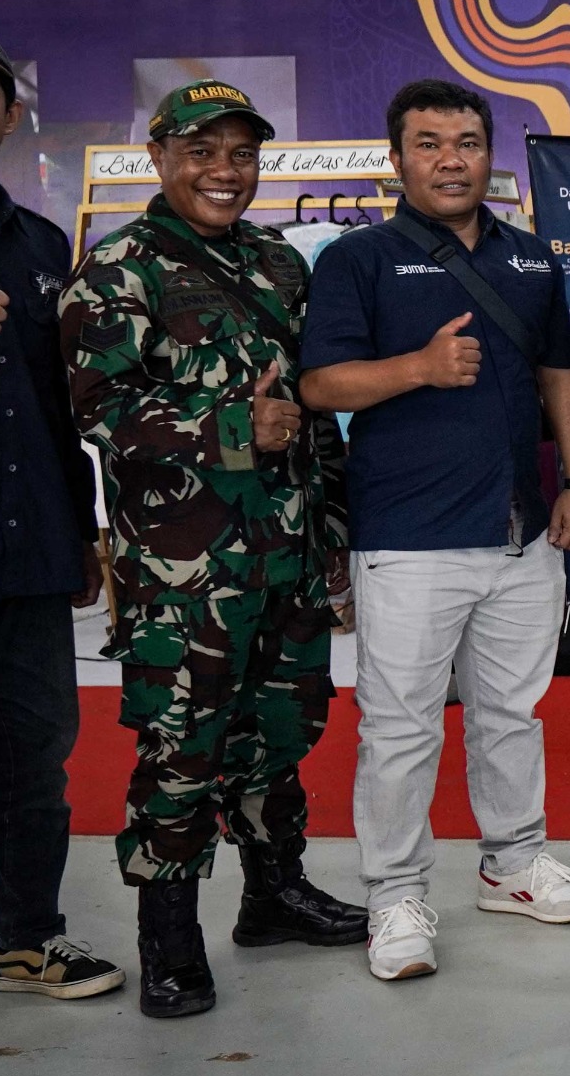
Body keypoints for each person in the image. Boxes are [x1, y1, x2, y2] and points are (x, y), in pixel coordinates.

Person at [61, 80, 366, 1019]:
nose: (224, 171)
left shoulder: (279, 262)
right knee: (181, 745)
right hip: (184, 574)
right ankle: (169, 933)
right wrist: (235, 428)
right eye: (202, 152)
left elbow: (309, 408)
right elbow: (98, 410)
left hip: (285, 555)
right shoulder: (119, 270)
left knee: (282, 730)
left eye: (241, 153)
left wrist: (337, 535)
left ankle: (273, 893)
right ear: (159, 158)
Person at [300, 80, 570, 981]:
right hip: (408, 533)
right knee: (400, 728)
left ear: (489, 154)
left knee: (512, 714)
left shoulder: (533, 260)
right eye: (428, 143)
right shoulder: (357, 259)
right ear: (398, 158)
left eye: (466, 141)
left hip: (520, 532)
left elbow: (561, 373)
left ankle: (512, 864)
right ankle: (394, 894)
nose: (449, 158)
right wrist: (418, 368)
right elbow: (319, 386)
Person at [0, 20, 121, 1001]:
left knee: (32, 758)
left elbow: (58, 402)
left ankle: (28, 938)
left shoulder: (42, 242)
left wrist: (83, 528)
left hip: (29, 550)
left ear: (12, 113)